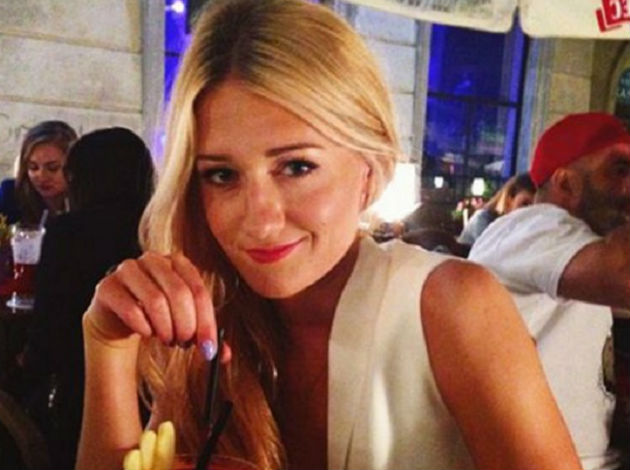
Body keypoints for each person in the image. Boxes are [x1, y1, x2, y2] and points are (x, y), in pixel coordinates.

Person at [76, 2, 581, 469]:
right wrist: (108, 348)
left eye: (297, 166)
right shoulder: (211, 322)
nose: (260, 220)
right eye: (222, 175)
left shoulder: (450, 306)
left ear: (371, 167)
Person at [469, 112, 630, 470]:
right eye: (619, 170)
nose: (628, 186)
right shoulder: (530, 226)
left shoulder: (580, 247)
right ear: (566, 183)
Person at [21, 128, 154, 469]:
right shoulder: (160, 229)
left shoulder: (68, 231)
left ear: (79, 178)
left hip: (79, 388)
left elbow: (47, 330)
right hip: (153, 390)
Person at [0, 120, 78, 225]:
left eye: (52, 168)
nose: (41, 176)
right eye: (33, 167)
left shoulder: (87, 203)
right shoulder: (10, 196)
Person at [457, 173, 535, 246]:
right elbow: (490, 250)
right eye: (525, 204)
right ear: (509, 199)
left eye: (534, 206)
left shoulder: (518, 225)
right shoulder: (483, 219)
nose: (528, 210)